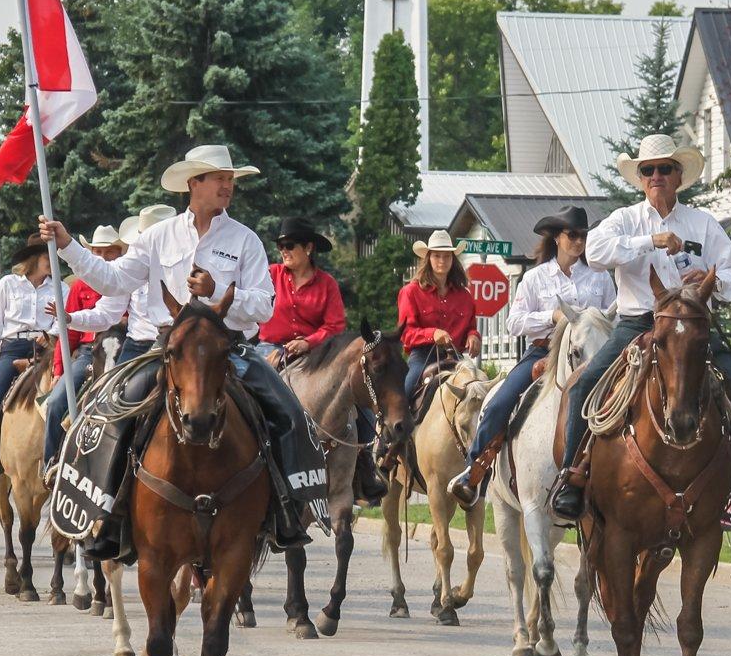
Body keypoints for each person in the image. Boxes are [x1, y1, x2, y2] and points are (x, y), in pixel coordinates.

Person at [36, 143, 329, 551]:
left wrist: (218, 292)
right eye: (220, 179)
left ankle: (286, 511)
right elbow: (113, 281)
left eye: (231, 180)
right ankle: (106, 517)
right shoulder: (158, 236)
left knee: (289, 412)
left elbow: (264, 305)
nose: (228, 186)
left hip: (229, 349)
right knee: (108, 416)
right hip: (164, 349)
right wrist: (68, 245)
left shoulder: (245, 240)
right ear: (195, 183)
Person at [550, 134, 731, 540]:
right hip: (640, 322)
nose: (656, 176)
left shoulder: (702, 223)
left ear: (678, 176)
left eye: (664, 169)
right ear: (640, 178)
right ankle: (573, 476)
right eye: (648, 170)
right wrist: (649, 240)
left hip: (691, 324)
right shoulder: (625, 220)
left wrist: (712, 279)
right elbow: (595, 253)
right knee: (585, 384)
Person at [447, 205, 613, 508]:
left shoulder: (600, 278)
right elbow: (515, 323)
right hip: (543, 352)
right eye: (573, 235)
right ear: (557, 238)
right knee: (499, 403)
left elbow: (613, 318)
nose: (579, 241)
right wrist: (551, 317)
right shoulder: (535, 278)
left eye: (584, 236)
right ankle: (473, 472)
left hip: (591, 358)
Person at [259, 216, 386, 504]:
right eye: (280, 245)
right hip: (270, 347)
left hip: (316, 353)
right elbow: (253, 306)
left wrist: (308, 342)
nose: (284, 250)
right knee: (245, 386)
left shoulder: (326, 284)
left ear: (309, 248)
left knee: (354, 395)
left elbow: (335, 326)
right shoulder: (269, 274)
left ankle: (364, 460)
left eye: (290, 245)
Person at [0, 233, 61, 492]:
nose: (51, 260)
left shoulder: (61, 288)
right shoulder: (9, 284)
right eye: (45, 256)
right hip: (13, 348)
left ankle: (62, 460)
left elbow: (66, 320)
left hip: (48, 350)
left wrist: (50, 334)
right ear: (33, 259)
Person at [41, 224, 131, 471]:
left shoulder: (126, 280)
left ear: (118, 252)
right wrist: (59, 370)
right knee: (56, 401)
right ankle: (51, 462)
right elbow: (67, 331)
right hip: (87, 351)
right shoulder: (80, 286)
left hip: (122, 350)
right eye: (97, 252)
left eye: (108, 251)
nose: (102, 257)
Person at [397, 230, 481, 401]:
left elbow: (471, 327)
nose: (442, 261)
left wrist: (474, 336)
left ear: (453, 260)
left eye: (447, 256)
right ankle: (389, 428)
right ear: (428, 258)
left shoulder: (464, 296)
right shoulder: (410, 292)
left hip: (455, 357)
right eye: (437, 256)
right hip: (422, 357)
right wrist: (432, 334)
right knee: (404, 393)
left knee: (481, 389)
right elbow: (406, 334)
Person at [109, 205, 180, 366]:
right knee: (113, 389)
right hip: (138, 346)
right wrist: (72, 318)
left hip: (181, 345)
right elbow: (108, 311)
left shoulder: (187, 265)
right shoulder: (129, 271)